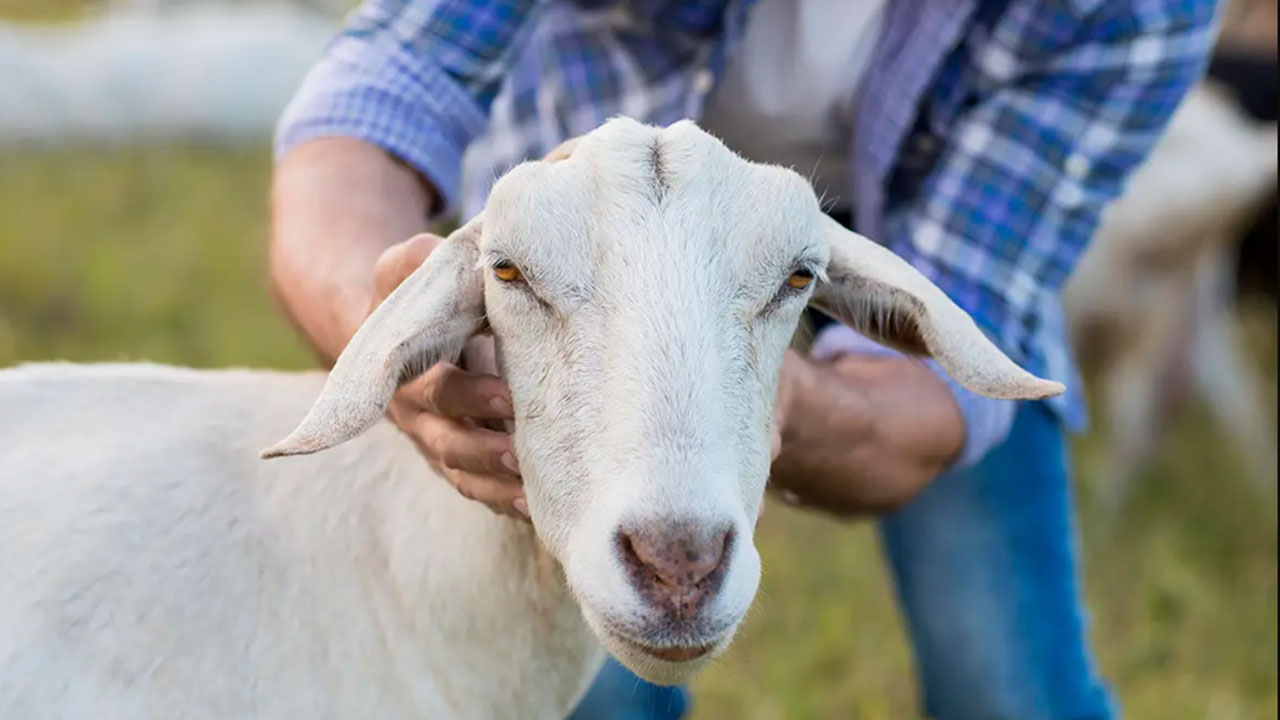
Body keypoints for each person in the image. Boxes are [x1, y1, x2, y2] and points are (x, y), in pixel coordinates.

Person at [268, 1, 1218, 718]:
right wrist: (387, 334)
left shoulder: (1136, 7)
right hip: (572, 267)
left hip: (899, 254)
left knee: (1013, 682)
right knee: (586, 679)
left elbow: (940, 377)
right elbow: (388, 82)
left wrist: (758, 392)